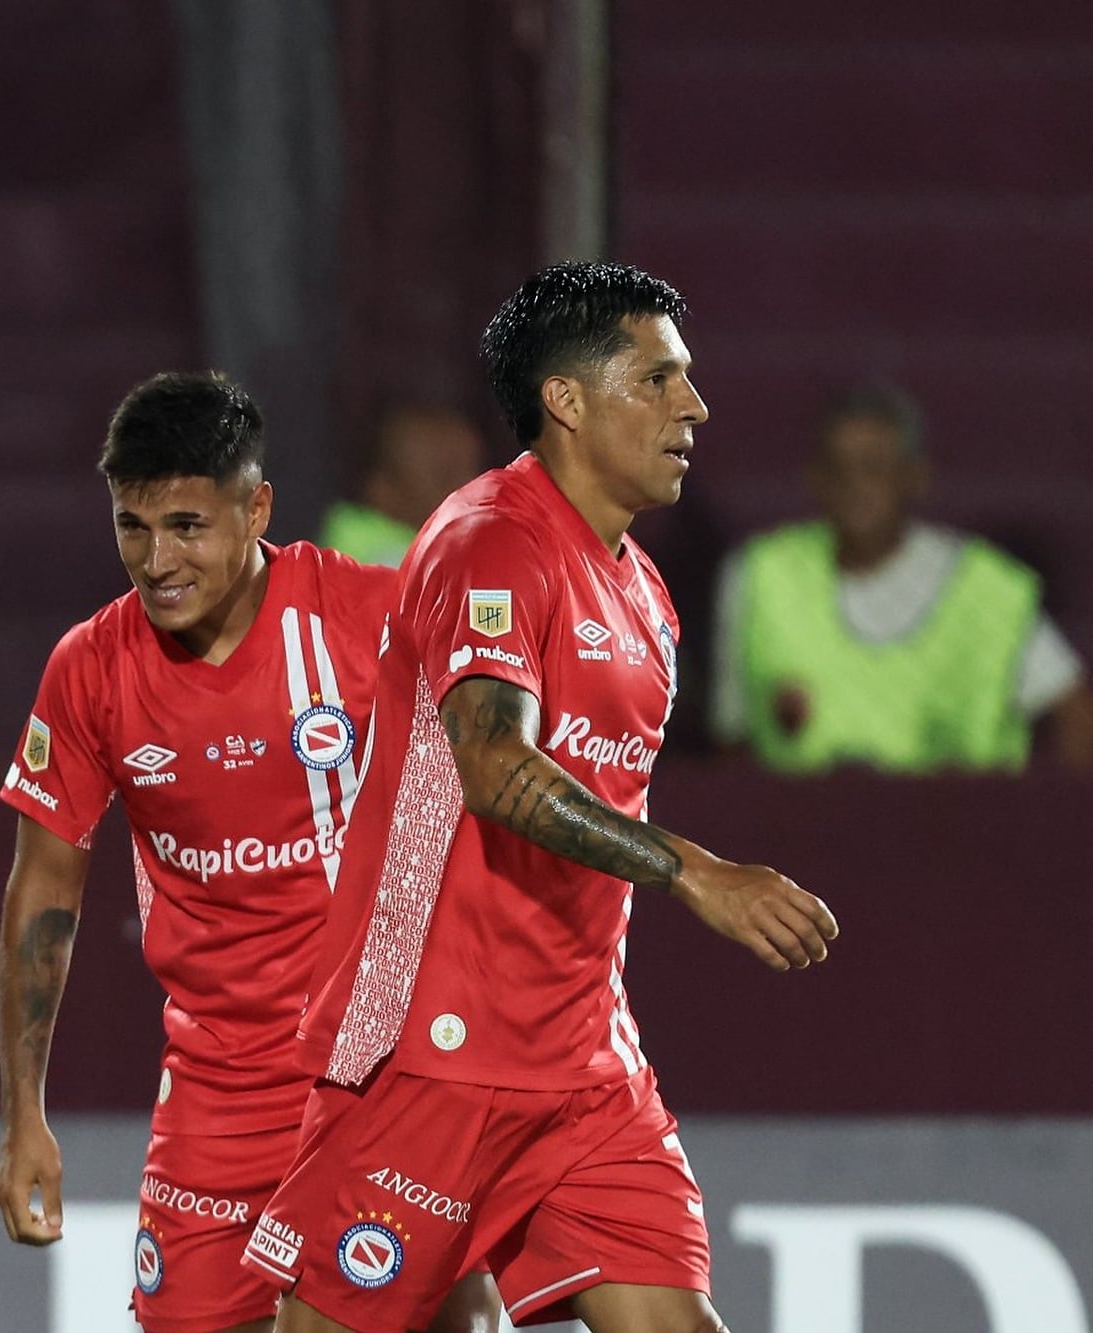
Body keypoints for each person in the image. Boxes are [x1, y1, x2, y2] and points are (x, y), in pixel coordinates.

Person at [241, 262, 839, 1333]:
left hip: (583, 1064)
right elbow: (494, 769)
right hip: (431, 1046)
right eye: (657, 379)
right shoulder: (491, 542)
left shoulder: (645, 593)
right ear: (565, 399)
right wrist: (694, 871)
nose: (694, 407)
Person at [0, 372, 499, 1333]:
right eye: (133, 527)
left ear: (256, 508)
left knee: (447, 1316)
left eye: (186, 526)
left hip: (380, 1072)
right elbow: (44, 892)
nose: (157, 561)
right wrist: (25, 1114)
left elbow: (495, 781)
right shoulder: (92, 669)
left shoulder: (371, 617)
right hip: (218, 1089)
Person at [711, 382, 1093, 773]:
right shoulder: (760, 575)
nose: (855, 487)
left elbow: (1076, 716)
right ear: (815, 480)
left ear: (915, 477)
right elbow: (733, 742)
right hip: (804, 812)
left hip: (957, 811)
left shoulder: (989, 591)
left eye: (873, 469)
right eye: (838, 470)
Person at [316, 404, 486, 567]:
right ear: (382, 491)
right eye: (445, 476)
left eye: (475, 470)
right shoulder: (379, 557)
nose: (473, 489)